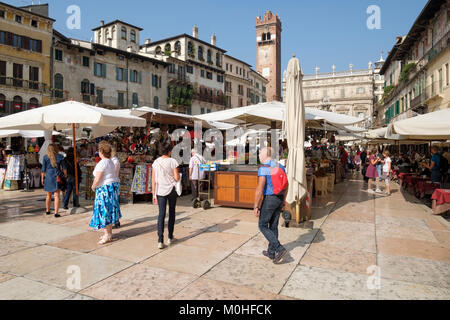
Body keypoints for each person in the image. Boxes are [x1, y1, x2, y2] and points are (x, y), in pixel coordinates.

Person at [253, 147, 288, 265]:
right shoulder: (280, 166)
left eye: (260, 153)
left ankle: (279, 248)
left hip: (269, 199)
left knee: (262, 225)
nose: (258, 155)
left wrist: (256, 206)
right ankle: (271, 252)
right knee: (273, 226)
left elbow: (260, 188)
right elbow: (286, 185)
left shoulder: (264, 168)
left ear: (266, 155)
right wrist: (283, 201)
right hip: (279, 198)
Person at [89, 141, 122, 245]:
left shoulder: (103, 163)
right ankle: (108, 233)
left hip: (105, 189)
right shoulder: (111, 161)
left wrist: (93, 186)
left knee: (104, 211)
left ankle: (107, 234)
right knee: (109, 210)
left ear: (101, 151)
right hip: (111, 187)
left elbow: (98, 178)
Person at [152, 143, 180, 249]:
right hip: (171, 190)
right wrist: (178, 178)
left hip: (159, 191)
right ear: (169, 151)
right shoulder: (173, 161)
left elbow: (153, 179)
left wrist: (154, 194)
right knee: (172, 212)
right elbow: (177, 177)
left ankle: (160, 240)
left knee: (161, 214)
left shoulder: (156, 162)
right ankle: (170, 237)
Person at [41, 144, 67, 218]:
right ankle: (56, 212)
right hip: (57, 176)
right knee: (56, 195)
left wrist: (42, 178)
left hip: (48, 176)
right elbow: (64, 168)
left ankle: (47, 210)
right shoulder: (60, 157)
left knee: (48, 195)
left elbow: (43, 170)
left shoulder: (45, 157)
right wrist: (65, 176)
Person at [111, 147, 121, 229]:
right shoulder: (114, 161)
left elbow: (112, 173)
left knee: (114, 202)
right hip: (115, 182)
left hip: (114, 182)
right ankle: (115, 220)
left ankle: (115, 221)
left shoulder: (114, 161)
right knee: (114, 202)